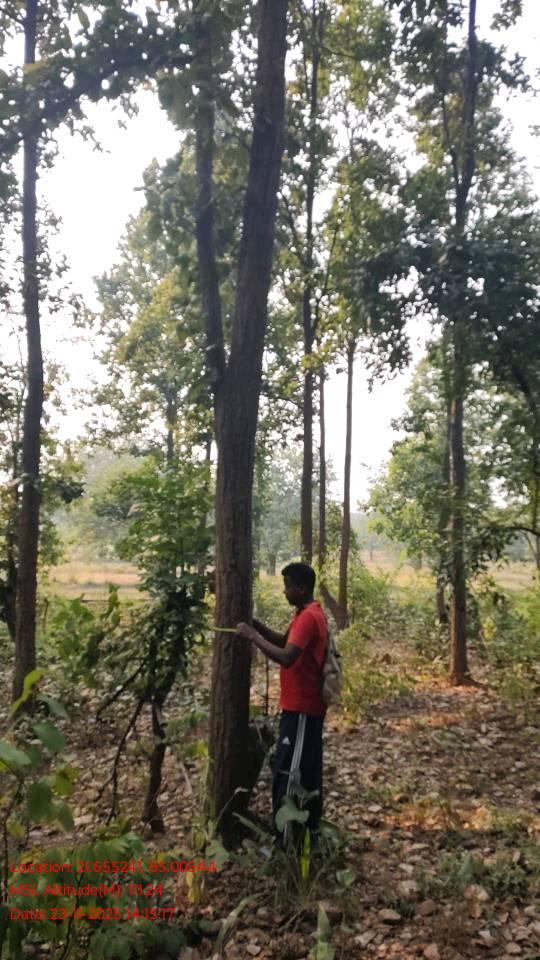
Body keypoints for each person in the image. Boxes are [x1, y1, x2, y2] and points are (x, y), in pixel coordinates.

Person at [236, 562, 328, 848]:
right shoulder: (304, 613)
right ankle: (306, 834)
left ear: (301, 588)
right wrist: (256, 625)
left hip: (302, 709)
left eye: (287, 586)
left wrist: (252, 637)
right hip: (300, 708)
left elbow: (287, 657)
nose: (284, 591)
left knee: (289, 773)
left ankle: (287, 841)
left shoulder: (309, 617)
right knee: (305, 771)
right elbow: (285, 641)